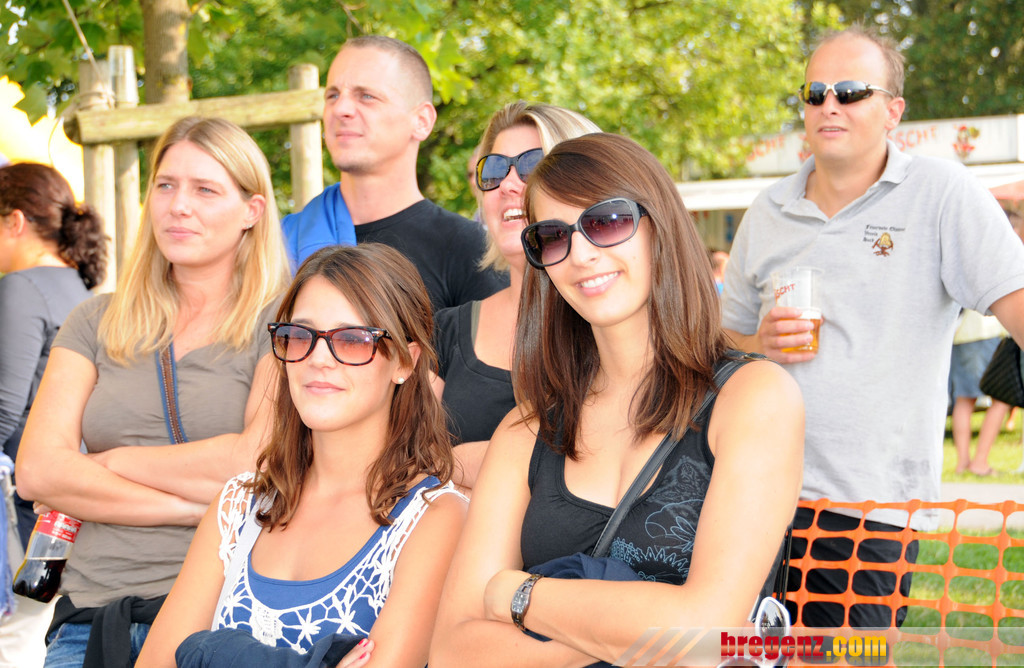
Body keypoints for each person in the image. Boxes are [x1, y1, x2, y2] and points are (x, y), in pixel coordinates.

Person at [430, 133, 803, 666]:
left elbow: (707, 632)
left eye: (606, 222)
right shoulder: (525, 430)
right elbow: (453, 650)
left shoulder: (754, 397)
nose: (581, 254)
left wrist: (517, 594)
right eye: (553, 236)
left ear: (659, 227)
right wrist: (625, 635)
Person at [720, 25, 1024, 628]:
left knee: (844, 660)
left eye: (852, 91)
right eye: (815, 93)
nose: (829, 105)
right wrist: (758, 344)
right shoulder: (766, 210)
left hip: (870, 509)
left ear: (893, 111)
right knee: (743, 658)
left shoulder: (943, 193)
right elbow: (722, 340)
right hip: (749, 496)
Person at [14, 116, 291, 666]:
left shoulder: (285, 321)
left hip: (222, 621)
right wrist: (195, 508)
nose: (178, 205)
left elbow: (251, 464)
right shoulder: (95, 320)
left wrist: (105, 463)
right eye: (166, 185)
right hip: (91, 618)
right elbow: (38, 472)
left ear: (252, 211)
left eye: (205, 189)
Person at [136, 244, 467, 667]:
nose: (319, 358)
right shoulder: (238, 505)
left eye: (353, 340)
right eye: (300, 336)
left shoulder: (434, 517)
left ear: (406, 361)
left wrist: (215, 655)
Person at [433, 101, 600, 486]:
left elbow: (605, 457)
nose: (508, 184)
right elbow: (402, 461)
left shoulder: (612, 323)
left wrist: (455, 462)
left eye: (533, 165)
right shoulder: (445, 330)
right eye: (494, 170)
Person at [281, 35, 505, 313]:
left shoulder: (469, 249)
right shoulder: (280, 244)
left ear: (421, 121)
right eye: (333, 95)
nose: (341, 109)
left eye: (366, 96)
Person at [0, 162, 107, 668]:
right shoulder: (76, 288)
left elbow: (4, 406)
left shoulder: (22, 286)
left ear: (15, 221)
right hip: (65, 508)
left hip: (26, 506)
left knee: (13, 641)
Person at [949, 309, 1008, 476]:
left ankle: (962, 464)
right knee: (1001, 398)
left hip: (961, 334)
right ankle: (980, 462)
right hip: (985, 331)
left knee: (964, 399)